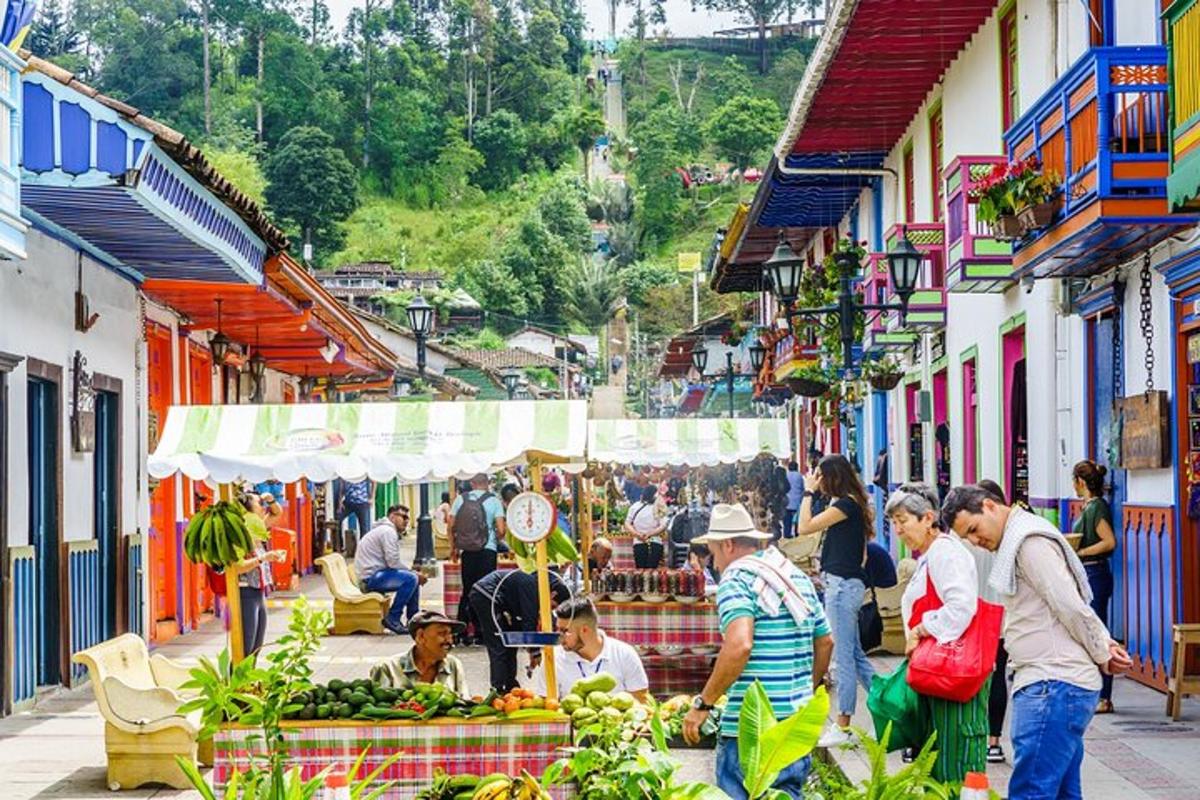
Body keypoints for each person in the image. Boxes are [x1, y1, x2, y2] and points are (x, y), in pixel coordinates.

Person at [941, 485, 1132, 800]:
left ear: (989, 506)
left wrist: (1102, 649)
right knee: (1062, 793)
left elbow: (1069, 604)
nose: (976, 541)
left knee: (1031, 792)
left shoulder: (1028, 542)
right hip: (1056, 684)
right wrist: (1102, 644)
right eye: (967, 538)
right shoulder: (1019, 538)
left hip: (1052, 684)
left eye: (974, 530)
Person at [682, 504, 832, 799]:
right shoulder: (795, 578)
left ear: (727, 545)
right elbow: (826, 641)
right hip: (793, 728)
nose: (714, 562)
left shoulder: (736, 578)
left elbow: (739, 645)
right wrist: (805, 689)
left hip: (750, 732)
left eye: (712, 552)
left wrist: (703, 704)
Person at [886, 483, 988, 783]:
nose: (898, 530)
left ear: (927, 518)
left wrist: (921, 628)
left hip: (953, 674)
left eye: (903, 521)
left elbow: (961, 607)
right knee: (938, 759)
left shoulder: (946, 554)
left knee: (955, 761)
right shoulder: (930, 555)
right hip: (939, 674)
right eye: (894, 523)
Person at [796, 454, 876, 745]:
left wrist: (807, 491)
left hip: (842, 587)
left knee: (842, 657)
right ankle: (891, 708)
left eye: (820, 475)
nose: (817, 480)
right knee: (854, 655)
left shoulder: (845, 504)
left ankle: (843, 726)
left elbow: (804, 527)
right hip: (844, 583)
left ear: (831, 477)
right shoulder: (849, 503)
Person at [467, 568, 570, 692]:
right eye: (552, 605)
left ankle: (511, 686)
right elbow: (529, 621)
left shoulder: (533, 587)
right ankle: (497, 690)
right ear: (552, 594)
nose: (548, 609)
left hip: (497, 600)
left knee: (511, 644)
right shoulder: (532, 587)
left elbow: (522, 625)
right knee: (498, 643)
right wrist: (534, 652)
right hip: (487, 595)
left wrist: (532, 648)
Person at [532, 596, 649, 702]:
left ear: (585, 630)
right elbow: (547, 705)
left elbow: (641, 700)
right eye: (558, 629)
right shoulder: (552, 659)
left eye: (565, 631)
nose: (559, 636)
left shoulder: (624, 654)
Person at [1072, 460, 1118, 714]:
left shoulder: (1096, 508)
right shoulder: (1088, 507)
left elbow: (1109, 541)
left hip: (1096, 573)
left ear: (1080, 482)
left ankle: (1104, 696)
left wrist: (1081, 552)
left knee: (1098, 633)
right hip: (1090, 573)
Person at [976, 479, 1012, 763]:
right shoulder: (1009, 535)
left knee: (976, 679)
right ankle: (994, 742)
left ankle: (975, 736)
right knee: (998, 676)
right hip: (1002, 616)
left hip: (976, 617)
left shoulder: (967, 537)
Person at [449, 474, 508, 643]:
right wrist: (493, 538)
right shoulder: (494, 501)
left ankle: (460, 631)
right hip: (487, 550)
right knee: (485, 591)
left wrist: (453, 548)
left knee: (467, 590)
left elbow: (451, 526)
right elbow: (501, 530)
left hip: (467, 551)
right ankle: (482, 632)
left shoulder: (460, 499)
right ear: (487, 483)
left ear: (472, 483)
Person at [356, 505, 426, 635]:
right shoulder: (387, 532)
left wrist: (412, 573)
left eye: (407, 518)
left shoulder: (386, 530)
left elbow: (392, 562)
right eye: (403, 517)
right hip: (370, 579)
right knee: (411, 578)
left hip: (376, 575)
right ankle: (393, 618)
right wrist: (413, 573)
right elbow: (393, 562)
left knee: (412, 577)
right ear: (392, 517)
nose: (406, 521)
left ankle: (413, 619)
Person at [370, 610, 470, 697]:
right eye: (442, 633)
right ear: (421, 636)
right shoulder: (387, 668)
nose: (449, 640)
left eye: (450, 634)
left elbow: (465, 703)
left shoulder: (454, 664)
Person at [237, 494, 287, 657]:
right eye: (258, 503)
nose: (262, 506)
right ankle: (236, 681)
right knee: (245, 647)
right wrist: (263, 558)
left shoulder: (257, 529)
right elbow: (237, 568)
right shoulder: (241, 535)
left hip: (260, 593)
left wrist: (271, 500)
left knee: (256, 647)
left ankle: (249, 681)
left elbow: (276, 513)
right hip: (246, 592)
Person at [625, 485, 667, 568]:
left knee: (640, 570)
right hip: (655, 542)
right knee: (653, 571)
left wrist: (637, 534)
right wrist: (650, 534)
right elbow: (663, 525)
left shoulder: (635, 506)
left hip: (639, 542)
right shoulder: (658, 507)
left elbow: (627, 523)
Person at [337, 477, 374, 555]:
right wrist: (340, 501)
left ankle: (363, 551)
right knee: (337, 520)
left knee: (364, 528)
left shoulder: (363, 469)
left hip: (362, 502)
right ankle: (339, 547)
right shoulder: (346, 470)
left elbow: (374, 481)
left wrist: (372, 498)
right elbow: (342, 484)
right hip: (348, 502)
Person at [784, 460, 804, 539]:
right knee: (797, 518)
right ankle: (797, 532)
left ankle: (787, 534)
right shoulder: (799, 476)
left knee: (787, 519)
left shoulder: (786, 475)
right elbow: (802, 487)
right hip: (797, 500)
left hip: (787, 501)